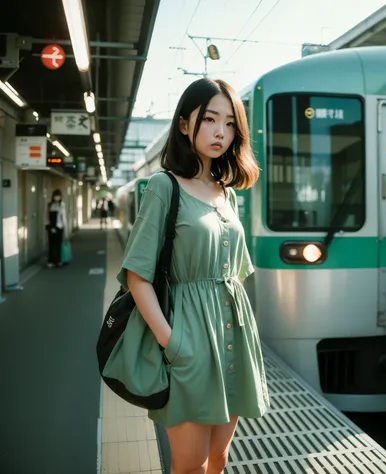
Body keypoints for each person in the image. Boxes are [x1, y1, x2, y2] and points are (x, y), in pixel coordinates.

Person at [117, 78, 269, 474]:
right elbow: (137, 276)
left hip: (231, 339)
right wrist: (173, 344)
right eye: (210, 119)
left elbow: (234, 273)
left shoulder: (227, 192)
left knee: (219, 458)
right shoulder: (163, 187)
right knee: (190, 465)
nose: (221, 131)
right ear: (185, 125)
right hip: (187, 341)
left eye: (230, 123)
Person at [45, 189, 67, 268]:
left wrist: (65, 227)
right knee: (51, 245)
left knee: (58, 245)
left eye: (58, 196)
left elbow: (63, 217)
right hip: (50, 226)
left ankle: (58, 260)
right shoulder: (50, 205)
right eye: (56, 196)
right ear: (53, 196)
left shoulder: (62, 205)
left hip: (59, 227)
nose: (57, 197)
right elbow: (46, 216)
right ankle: (51, 261)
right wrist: (49, 227)